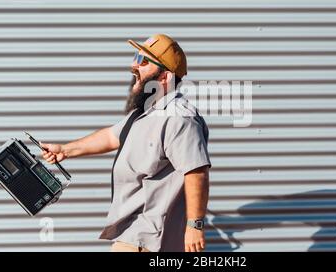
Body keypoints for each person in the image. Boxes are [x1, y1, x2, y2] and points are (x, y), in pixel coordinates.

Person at [40, 34, 211, 252]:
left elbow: (196, 172)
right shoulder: (144, 115)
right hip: (132, 234)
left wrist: (195, 226)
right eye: (136, 56)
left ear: (164, 78)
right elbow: (111, 137)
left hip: (150, 240)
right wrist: (65, 150)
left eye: (143, 61)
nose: (134, 65)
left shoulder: (179, 117)